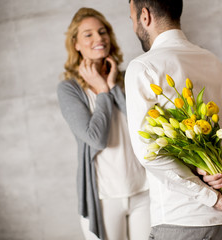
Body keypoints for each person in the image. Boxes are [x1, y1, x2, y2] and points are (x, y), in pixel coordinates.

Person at [124, 0, 222, 239]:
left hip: (183, 222)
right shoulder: (213, 61)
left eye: (132, 18)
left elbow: (149, 153)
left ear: (145, 16)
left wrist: (212, 197)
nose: (133, 25)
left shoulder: (143, 67)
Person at [57, 7, 150, 240]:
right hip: (104, 196)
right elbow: (96, 138)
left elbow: (145, 126)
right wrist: (101, 91)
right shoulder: (69, 89)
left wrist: (112, 85)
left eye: (102, 31)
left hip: (144, 190)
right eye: (88, 34)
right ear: (76, 44)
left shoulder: (127, 78)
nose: (99, 38)